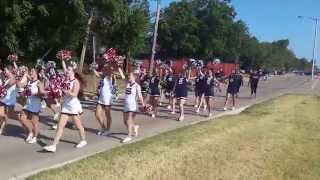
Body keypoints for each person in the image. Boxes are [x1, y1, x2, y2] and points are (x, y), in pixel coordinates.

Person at [43, 60, 87, 152]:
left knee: (78, 125)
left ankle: (83, 140)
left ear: (73, 71)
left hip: (73, 106)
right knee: (60, 126)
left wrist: (66, 91)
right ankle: (54, 146)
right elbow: (61, 91)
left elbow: (74, 94)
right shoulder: (65, 80)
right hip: (66, 106)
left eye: (69, 70)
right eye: (67, 70)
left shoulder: (76, 82)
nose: (67, 71)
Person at [94, 65, 124, 136]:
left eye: (105, 68)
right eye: (104, 68)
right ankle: (103, 127)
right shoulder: (103, 75)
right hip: (101, 97)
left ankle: (108, 129)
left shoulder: (110, 75)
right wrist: (93, 68)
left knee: (107, 114)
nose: (103, 69)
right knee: (97, 114)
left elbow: (121, 76)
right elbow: (97, 74)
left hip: (107, 98)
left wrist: (117, 67)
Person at [19, 68, 47, 144]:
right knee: (22, 118)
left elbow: (42, 95)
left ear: (36, 74)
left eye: (32, 71)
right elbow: (19, 86)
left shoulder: (39, 83)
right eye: (30, 71)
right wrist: (23, 93)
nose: (30, 72)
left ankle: (35, 137)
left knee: (35, 122)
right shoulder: (29, 82)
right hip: (28, 104)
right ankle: (31, 132)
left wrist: (34, 93)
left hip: (35, 104)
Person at [122, 71, 145, 143]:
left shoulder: (137, 86)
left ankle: (129, 136)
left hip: (133, 105)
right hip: (126, 105)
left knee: (129, 120)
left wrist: (143, 104)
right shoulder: (127, 83)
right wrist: (118, 66)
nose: (129, 77)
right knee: (125, 121)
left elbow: (140, 96)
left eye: (130, 76)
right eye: (128, 76)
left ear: (134, 77)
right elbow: (122, 76)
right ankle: (135, 127)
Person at [0, 66, 17, 135]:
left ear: (10, 71)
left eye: (6, 71)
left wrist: (2, 88)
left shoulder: (14, 78)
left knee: (10, 115)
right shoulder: (6, 78)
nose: (4, 72)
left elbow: (9, 85)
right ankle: (1, 128)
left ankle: (21, 119)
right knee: (1, 115)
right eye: (4, 71)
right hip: (3, 99)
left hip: (10, 100)